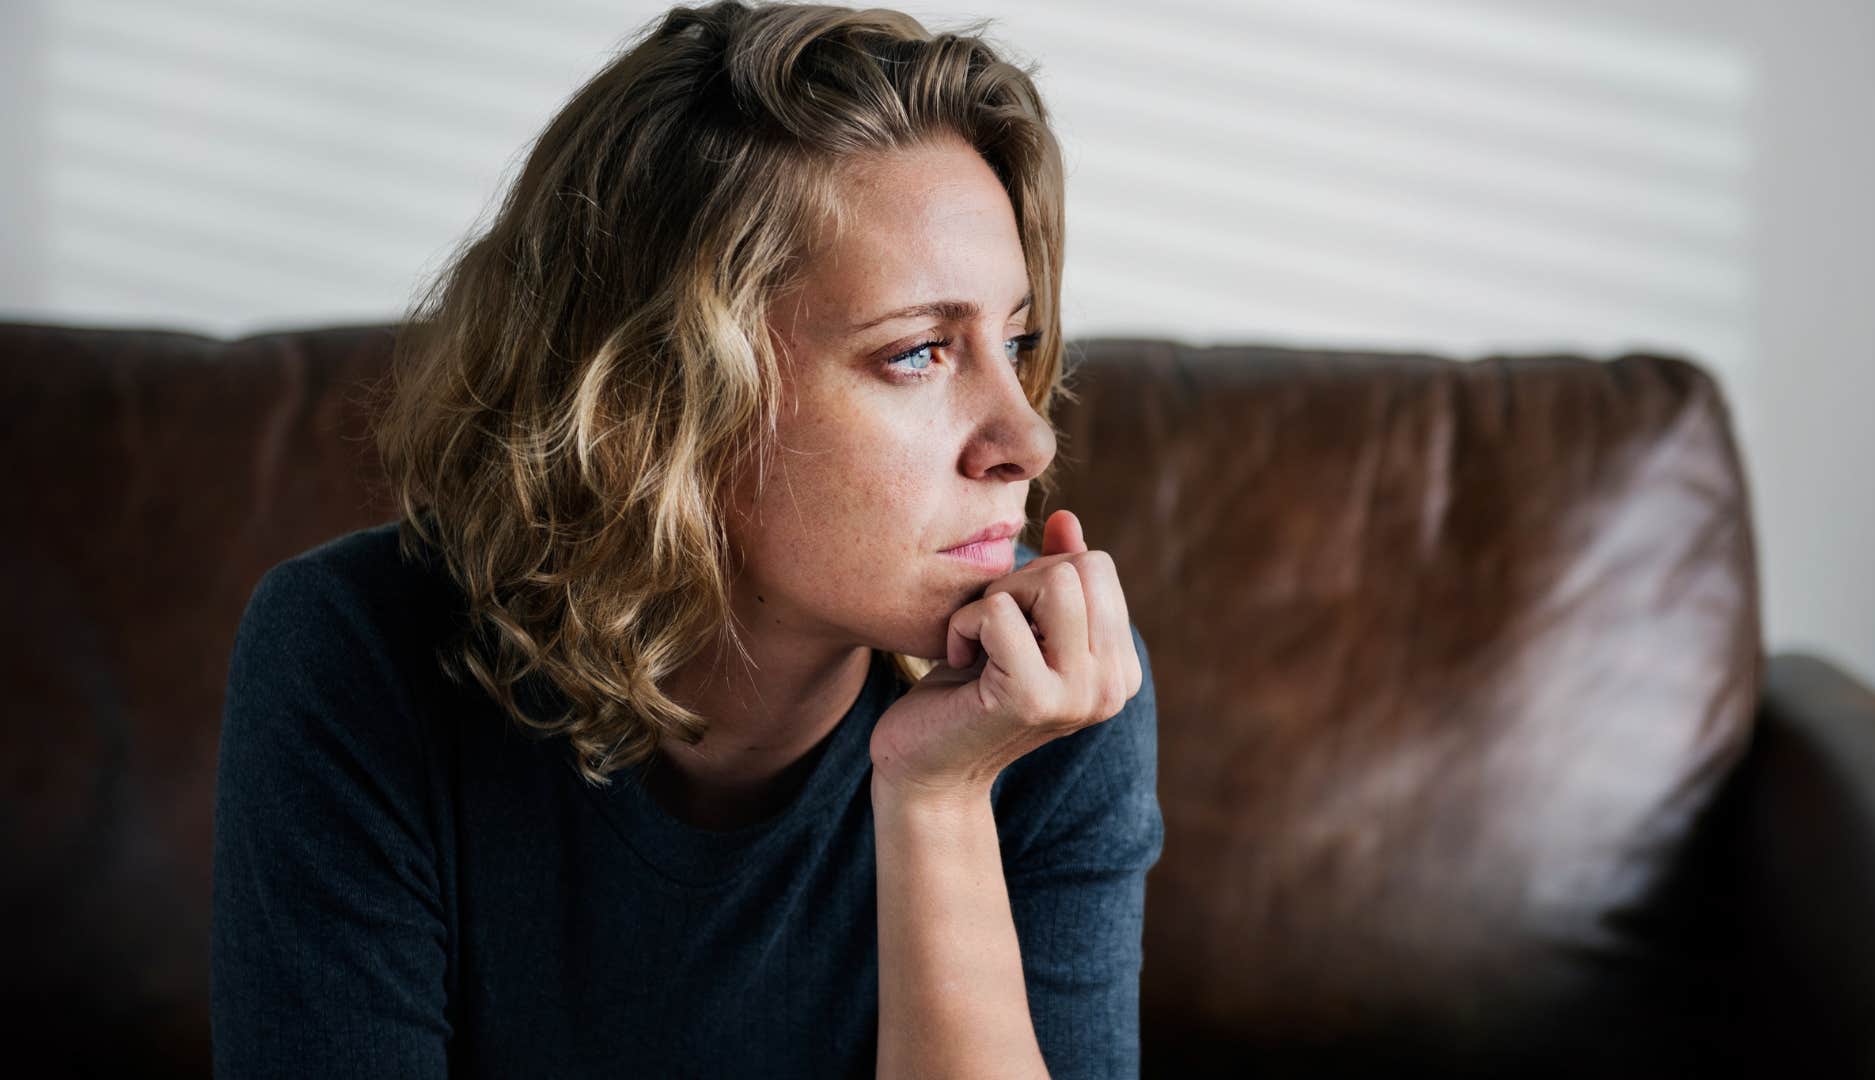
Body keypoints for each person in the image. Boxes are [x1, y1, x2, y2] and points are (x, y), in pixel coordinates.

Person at [209, 2, 1163, 1076]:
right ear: (662, 399)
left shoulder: (1054, 695)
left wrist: (936, 801)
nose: (1027, 437)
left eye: (1018, 338)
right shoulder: (354, 655)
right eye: (917, 353)